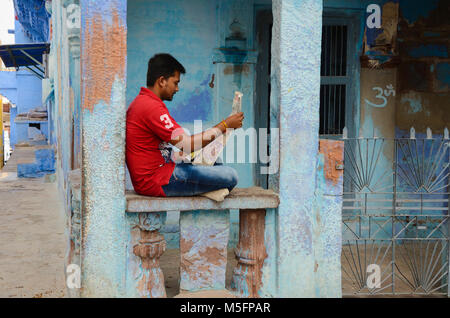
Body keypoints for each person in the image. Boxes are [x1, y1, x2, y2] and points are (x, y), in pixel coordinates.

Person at [126, 53, 244, 197]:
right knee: (230, 175)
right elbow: (187, 144)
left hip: (161, 172)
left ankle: (204, 188)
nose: (177, 88)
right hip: (156, 181)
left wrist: (181, 155)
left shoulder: (146, 103)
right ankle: (206, 189)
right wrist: (225, 125)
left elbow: (155, 150)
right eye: (175, 83)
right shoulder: (150, 107)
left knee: (215, 162)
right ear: (162, 81)